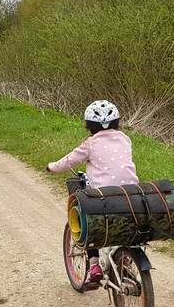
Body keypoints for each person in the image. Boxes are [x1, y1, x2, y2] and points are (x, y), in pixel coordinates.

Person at [46, 100, 138, 283]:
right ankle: (126, 256)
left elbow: (69, 161)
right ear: (116, 122)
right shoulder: (125, 139)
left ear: (89, 125)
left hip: (103, 198)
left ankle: (94, 263)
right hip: (131, 194)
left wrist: (52, 167)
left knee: (85, 220)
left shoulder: (90, 143)